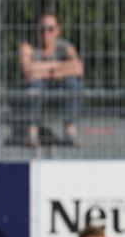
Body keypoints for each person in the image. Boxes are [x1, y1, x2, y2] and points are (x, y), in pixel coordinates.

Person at [18, 13, 84, 147]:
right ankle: (32, 133)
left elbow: (78, 68)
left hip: (60, 89)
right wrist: (58, 68)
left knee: (73, 83)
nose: (46, 33)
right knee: (34, 85)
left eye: (50, 29)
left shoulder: (65, 46)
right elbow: (27, 71)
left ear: (57, 31)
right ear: (37, 30)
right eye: (42, 29)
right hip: (37, 89)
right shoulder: (27, 46)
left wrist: (41, 70)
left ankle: (69, 131)